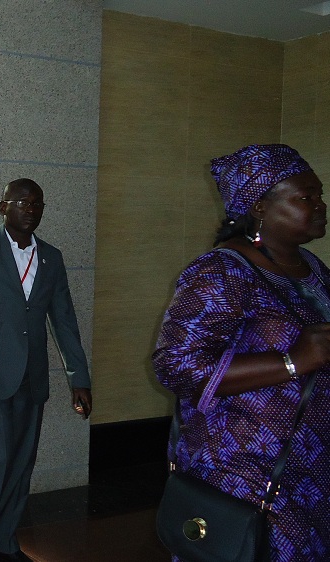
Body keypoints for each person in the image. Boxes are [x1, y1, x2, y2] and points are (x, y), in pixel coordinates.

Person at [153, 144, 330, 561]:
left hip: (311, 468)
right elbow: (175, 365)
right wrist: (291, 361)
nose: (320, 206)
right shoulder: (221, 272)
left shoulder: (313, 268)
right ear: (260, 207)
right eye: (305, 197)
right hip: (245, 473)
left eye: (320, 195)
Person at [0, 178, 92, 562]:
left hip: (32, 377)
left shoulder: (51, 257)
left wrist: (78, 378)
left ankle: (5, 542)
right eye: (22, 202)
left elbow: (64, 321)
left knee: (22, 465)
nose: (31, 209)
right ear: (3, 206)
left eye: (37, 203)